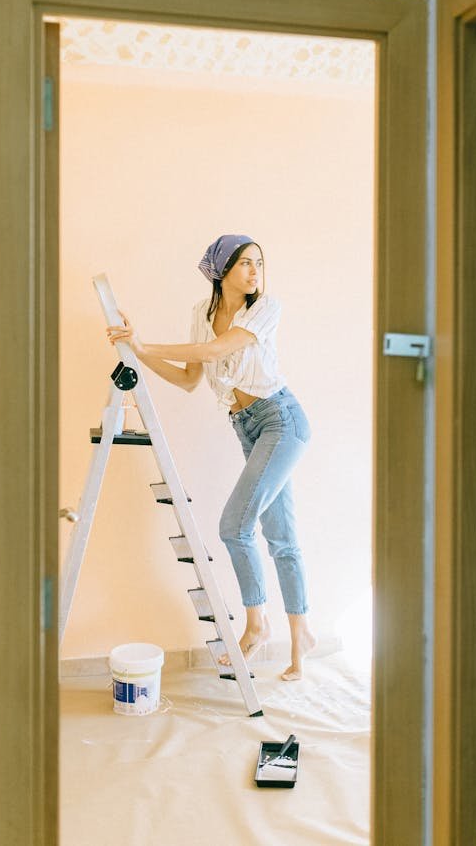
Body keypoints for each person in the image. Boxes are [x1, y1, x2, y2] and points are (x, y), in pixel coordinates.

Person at [106, 234, 315, 682]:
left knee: (235, 527)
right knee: (280, 535)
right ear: (221, 270)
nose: (255, 271)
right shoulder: (200, 317)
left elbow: (217, 351)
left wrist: (145, 346)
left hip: (282, 420)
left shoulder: (265, 309)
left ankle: (256, 625)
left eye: (259, 262)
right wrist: (138, 355)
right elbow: (187, 378)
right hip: (248, 427)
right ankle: (302, 642)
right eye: (244, 263)